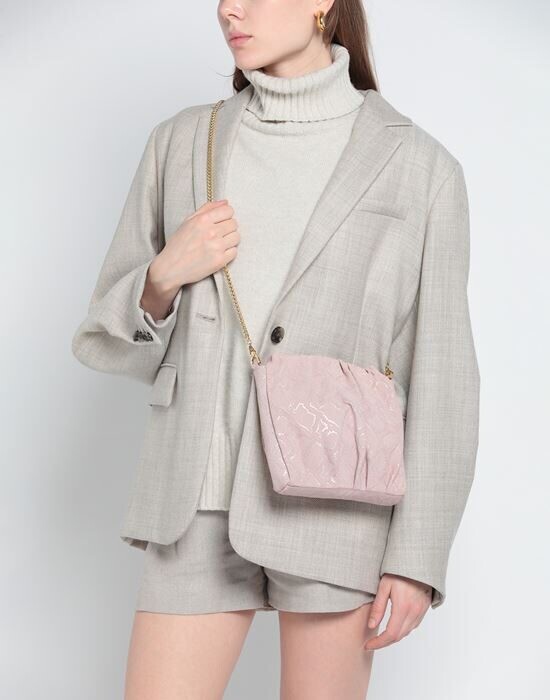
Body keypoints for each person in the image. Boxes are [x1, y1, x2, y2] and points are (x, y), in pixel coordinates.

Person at [72, 1, 480, 697]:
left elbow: (445, 375)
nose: (229, 8)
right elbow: (111, 346)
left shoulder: (419, 166)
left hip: (336, 502)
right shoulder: (182, 143)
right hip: (195, 497)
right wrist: (162, 277)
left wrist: (418, 557)